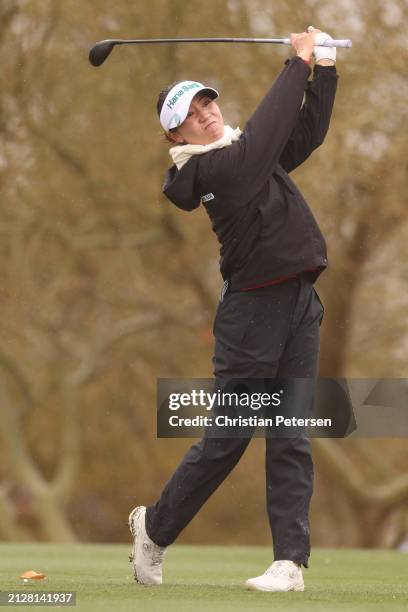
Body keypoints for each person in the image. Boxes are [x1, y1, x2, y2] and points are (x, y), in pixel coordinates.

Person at [128, 26, 338, 592]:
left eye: (207, 101)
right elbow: (269, 134)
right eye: (190, 113)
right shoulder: (210, 170)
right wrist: (296, 65)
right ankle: (155, 527)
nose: (205, 114)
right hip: (252, 311)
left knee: (291, 430)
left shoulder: (243, 151)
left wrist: (325, 71)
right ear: (173, 132)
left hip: (298, 300)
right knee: (231, 435)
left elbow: (303, 136)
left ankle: (289, 563)